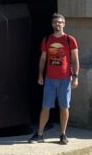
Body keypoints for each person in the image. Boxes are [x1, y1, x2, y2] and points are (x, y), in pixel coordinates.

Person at [29, 13, 80, 145]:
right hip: (50, 79)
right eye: (55, 22)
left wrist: (75, 77)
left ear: (64, 24)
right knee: (46, 106)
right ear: (52, 24)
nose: (58, 24)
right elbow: (43, 58)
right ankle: (39, 134)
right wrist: (40, 75)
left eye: (60, 22)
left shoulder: (70, 39)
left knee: (64, 107)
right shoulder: (47, 39)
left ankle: (63, 134)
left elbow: (75, 60)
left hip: (65, 78)